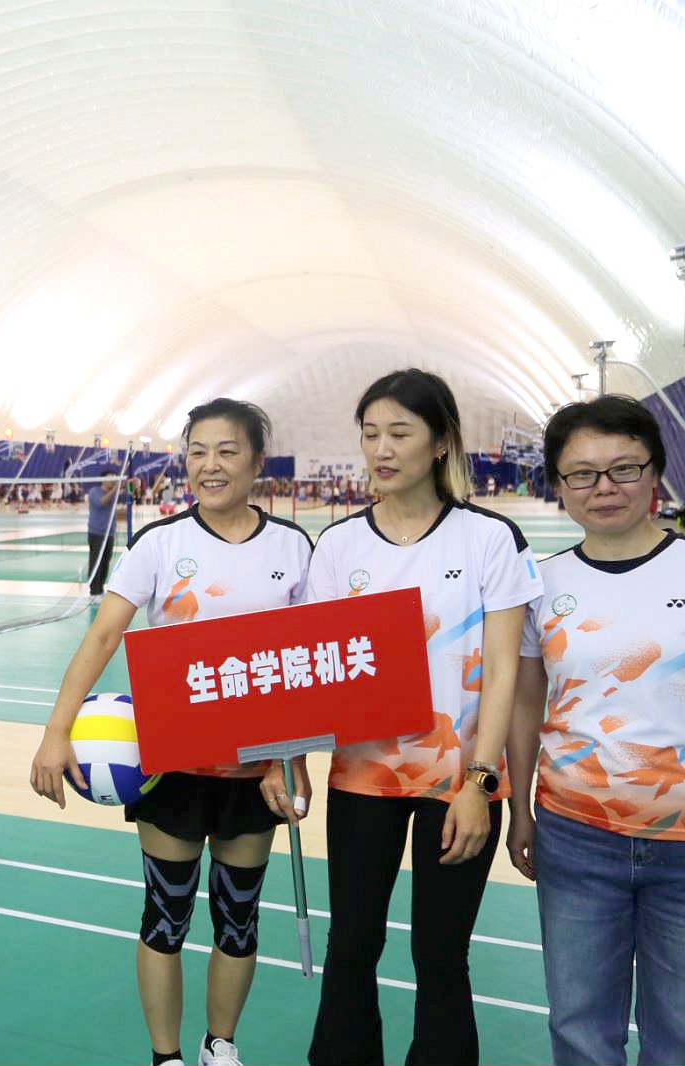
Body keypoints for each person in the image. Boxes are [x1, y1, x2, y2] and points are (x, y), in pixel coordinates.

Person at [31, 399, 313, 1066]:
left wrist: (292, 762)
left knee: (239, 921)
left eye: (227, 451)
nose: (209, 465)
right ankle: (167, 1057)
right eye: (197, 452)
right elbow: (104, 635)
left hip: (256, 771)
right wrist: (56, 730)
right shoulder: (159, 543)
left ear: (257, 462)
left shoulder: (293, 547)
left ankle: (220, 1046)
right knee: (167, 916)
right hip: (172, 767)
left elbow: (307, 663)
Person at [304, 368, 541, 1066]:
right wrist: (281, 758)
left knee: (440, 953)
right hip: (363, 778)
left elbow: (503, 673)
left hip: (460, 782)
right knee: (352, 944)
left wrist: (479, 782)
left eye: (400, 433)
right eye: (370, 434)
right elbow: (317, 669)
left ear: (440, 443)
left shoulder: (491, 538)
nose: (382, 449)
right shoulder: (338, 546)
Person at [507, 395, 685, 1066]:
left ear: (655, 473)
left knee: (679, 1035)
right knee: (580, 1030)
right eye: (582, 473)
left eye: (623, 468)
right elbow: (526, 702)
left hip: (682, 842)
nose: (604, 487)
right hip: (576, 837)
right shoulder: (539, 585)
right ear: (559, 486)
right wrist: (520, 810)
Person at [85, 473, 123, 602]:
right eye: (110, 478)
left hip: (109, 533)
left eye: (115, 478)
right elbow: (101, 502)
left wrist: (132, 486)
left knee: (106, 562)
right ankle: (94, 592)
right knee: (96, 562)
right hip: (97, 533)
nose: (113, 480)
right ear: (103, 480)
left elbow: (129, 497)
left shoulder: (115, 493)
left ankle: (100, 589)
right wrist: (115, 489)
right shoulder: (94, 492)